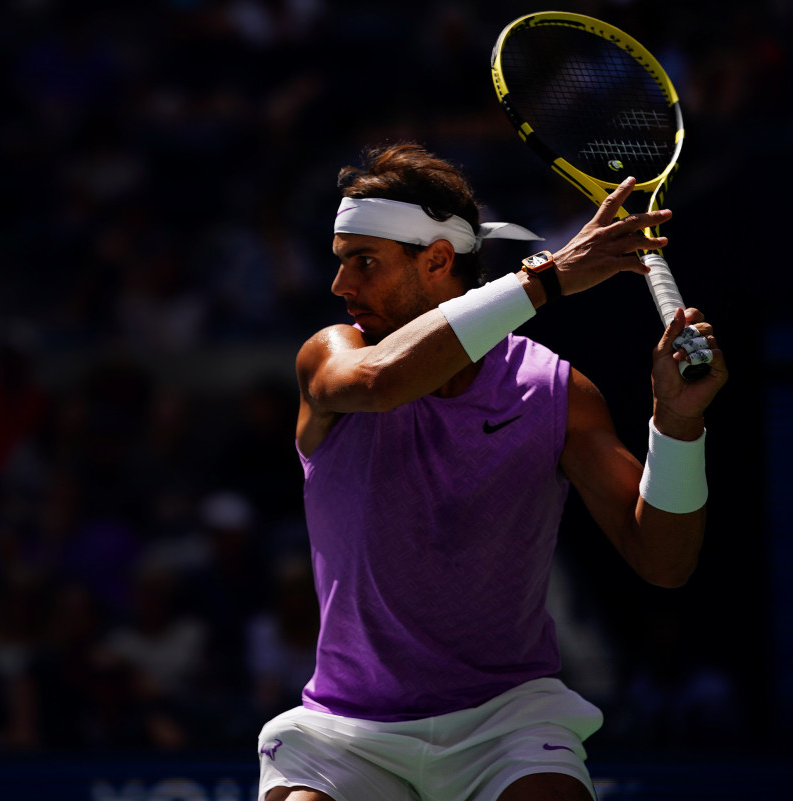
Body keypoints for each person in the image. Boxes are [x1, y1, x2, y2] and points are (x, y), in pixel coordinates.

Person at [256, 143, 727, 801]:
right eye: (340, 263)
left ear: (439, 261)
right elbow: (387, 379)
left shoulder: (554, 391)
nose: (341, 286)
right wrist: (549, 276)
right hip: (346, 730)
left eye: (364, 263)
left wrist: (678, 426)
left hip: (506, 723)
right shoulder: (332, 357)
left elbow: (664, 560)